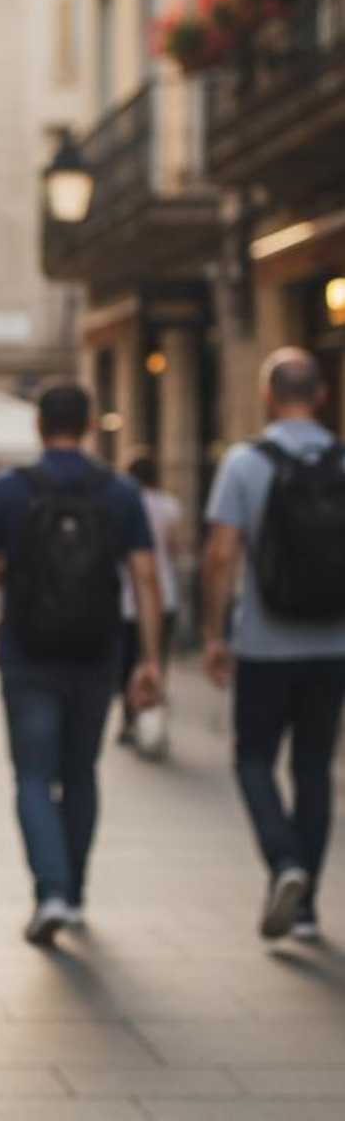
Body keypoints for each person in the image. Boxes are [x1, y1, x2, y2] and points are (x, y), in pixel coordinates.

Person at [0, 382, 164, 945]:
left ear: (38, 426)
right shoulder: (120, 492)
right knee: (80, 773)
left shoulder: (10, 489)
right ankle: (74, 894)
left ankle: (50, 891)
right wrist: (149, 659)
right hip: (98, 654)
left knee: (32, 775)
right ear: (91, 424)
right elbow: (146, 577)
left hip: (27, 654)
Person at [201, 348, 345, 942]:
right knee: (314, 768)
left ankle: (283, 862)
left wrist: (213, 634)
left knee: (253, 760)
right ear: (322, 396)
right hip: (333, 645)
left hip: (264, 644)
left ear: (266, 396)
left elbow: (220, 554)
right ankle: (306, 906)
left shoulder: (244, 462)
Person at [116, 454, 183, 747]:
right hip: (164, 596)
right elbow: (175, 548)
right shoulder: (169, 506)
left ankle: (131, 719)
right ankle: (151, 715)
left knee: (126, 663)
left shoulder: (122, 503)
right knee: (157, 661)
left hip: (125, 599)